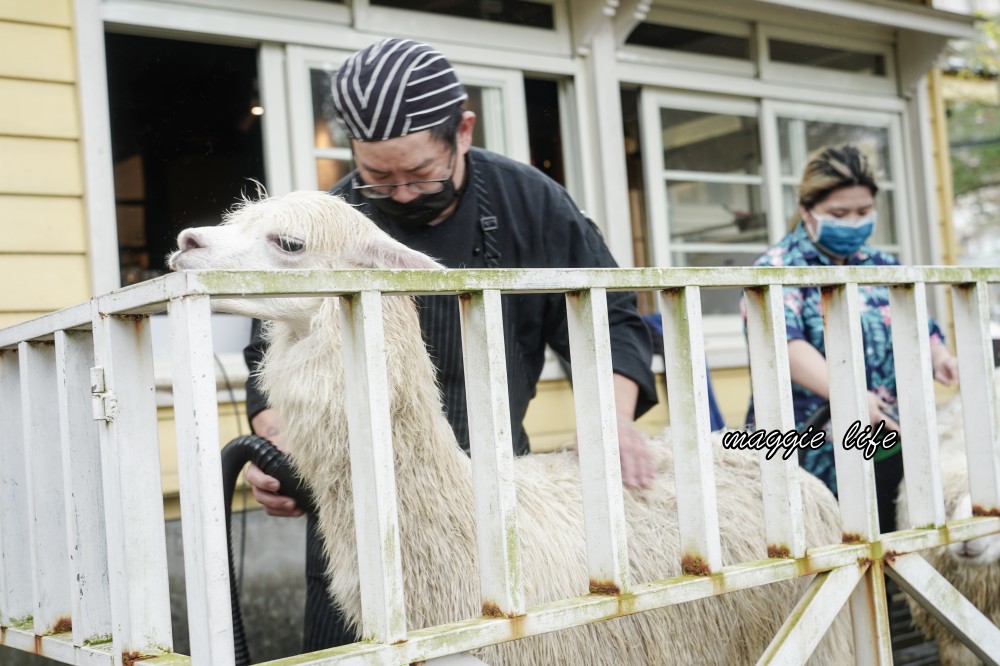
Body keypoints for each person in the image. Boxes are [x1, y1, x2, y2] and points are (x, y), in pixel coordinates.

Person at [242, 38, 658, 651]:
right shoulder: (326, 221)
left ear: (462, 130)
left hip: (496, 495)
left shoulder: (531, 203)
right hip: (357, 516)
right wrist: (276, 447)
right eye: (378, 176)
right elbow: (269, 353)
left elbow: (612, 322)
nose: (402, 194)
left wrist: (611, 419)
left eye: (419, 174)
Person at [742, 144, 959, 533]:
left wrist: (940, 354)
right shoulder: (776, 269)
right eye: (840, 214)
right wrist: (850, 393)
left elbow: (916, 323)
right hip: (810, 447)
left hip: (889, 439)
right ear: (808, 210)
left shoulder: (882, 265)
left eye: (863, 213)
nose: (854, 223)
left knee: (896, 543)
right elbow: (782, 346)